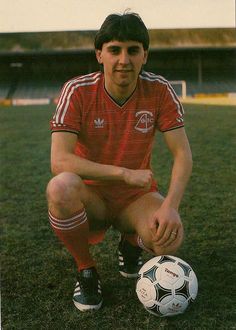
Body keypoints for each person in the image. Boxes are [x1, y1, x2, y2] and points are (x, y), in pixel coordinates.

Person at [46, 12, 192, 312]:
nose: (123, 59)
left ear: (145, 55)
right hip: (91, 198)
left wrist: (170, 207)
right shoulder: (78, 90)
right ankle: (86, 269)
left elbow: (182, 154)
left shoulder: (160, 90)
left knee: (169, 238)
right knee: (60, 188)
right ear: (100, 54)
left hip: (135, 199)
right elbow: (59, 161)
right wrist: (122, 173)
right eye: (114, 50)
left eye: (133, 50)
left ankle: (130, 243)